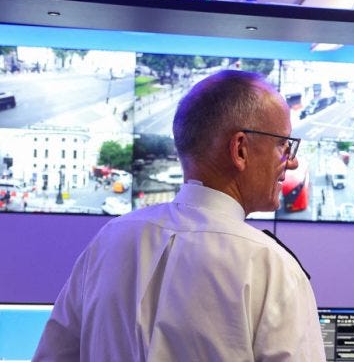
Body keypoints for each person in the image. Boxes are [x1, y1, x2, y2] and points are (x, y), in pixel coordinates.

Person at [34, 70, 324, 361]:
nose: (292, 160)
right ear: (240, 150)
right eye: (283, 145)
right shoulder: (272, 268)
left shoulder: (109, 241)